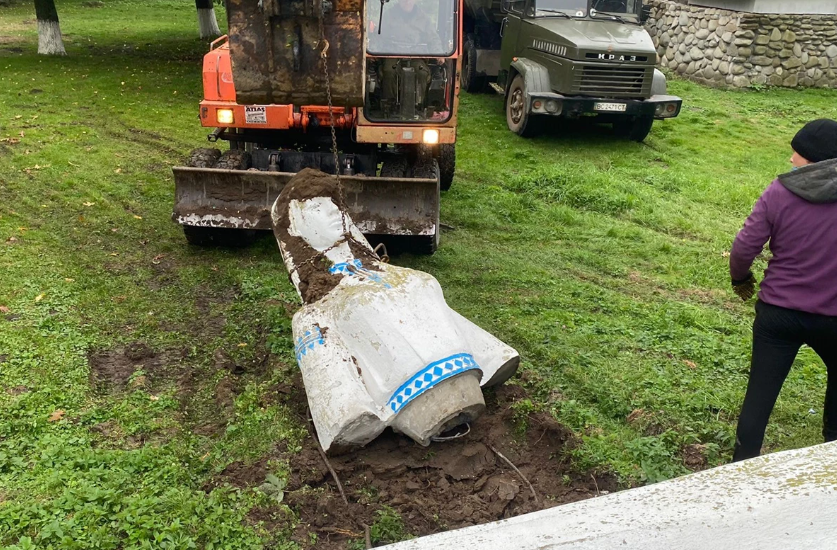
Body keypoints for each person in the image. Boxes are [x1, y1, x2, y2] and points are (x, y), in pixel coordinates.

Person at [270, 169, 520, 452]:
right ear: (295, 227)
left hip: (460, 374)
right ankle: (366, 408)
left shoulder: (380, 266)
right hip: (406, 396)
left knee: (420, 282)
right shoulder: (316, 312)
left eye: (334, 205)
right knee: (341, 311)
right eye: (317, 208)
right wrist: (350, 415)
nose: (332, 213)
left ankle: (486, 356)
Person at [729, 118, 837, 461]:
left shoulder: (779, 192)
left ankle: (742, 464)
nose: (791, 159)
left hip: (778, 314)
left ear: (813, 159)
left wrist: (740, 279)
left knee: (760, 394)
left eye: (798, 153)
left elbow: (745, 247)